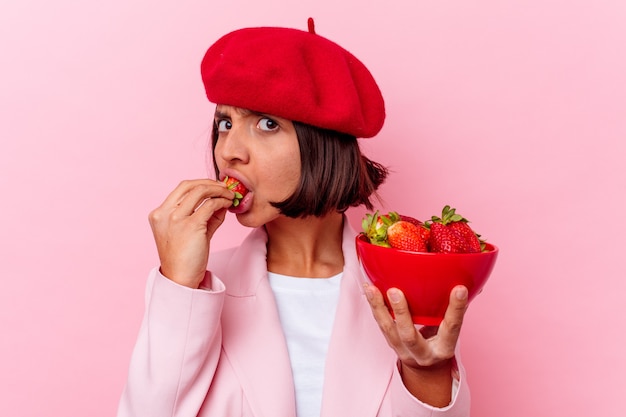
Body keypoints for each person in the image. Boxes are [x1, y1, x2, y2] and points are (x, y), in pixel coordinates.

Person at [117, 18, 471, 417]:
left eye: (267, 124)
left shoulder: (404, 284)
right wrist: (178, 286)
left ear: (321, 144)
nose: (229, 150)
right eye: (225, 123)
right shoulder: (194, 286)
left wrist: (428, 372)